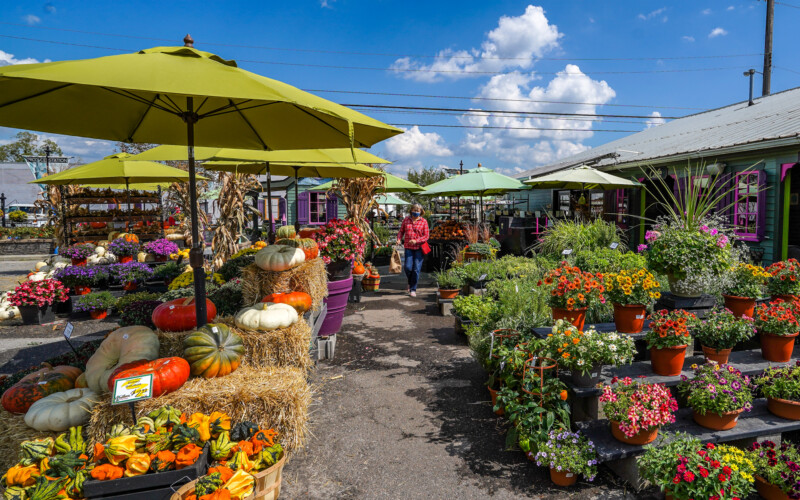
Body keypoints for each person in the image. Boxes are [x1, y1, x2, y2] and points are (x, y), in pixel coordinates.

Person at [396, 204, 429, 297]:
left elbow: (426, 236)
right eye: (414, 209)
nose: (416, 211)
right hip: (408, 247)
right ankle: (410, 282)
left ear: (421, 211)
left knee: (416, 269)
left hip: (419, 248)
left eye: (418, 210)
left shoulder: (424, 221)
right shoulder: (406, 220)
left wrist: (416, 240)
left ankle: (413, 289)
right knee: (407, 267)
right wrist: (399, 239)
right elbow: (401, 231)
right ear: (411, 210)